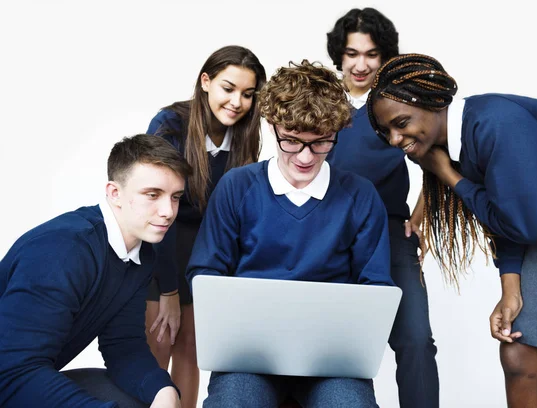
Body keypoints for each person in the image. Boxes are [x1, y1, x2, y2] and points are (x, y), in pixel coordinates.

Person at [367, 53, 537, 407]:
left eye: (401, 123)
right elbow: (508, 217)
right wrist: (510, 290)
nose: (395, 139)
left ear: (432, 102)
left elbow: (522, 224)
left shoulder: (495, 124)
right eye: (387, 132)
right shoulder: (456, 143)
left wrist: (449, 176)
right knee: (519, 358)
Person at [186, 60, 394, 408]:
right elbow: (205, 273)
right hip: (246, 359)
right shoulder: (237, 187)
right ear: (272, 126)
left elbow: (376, 288)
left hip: (333, 363)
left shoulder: (360, 196)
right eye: (293, 141)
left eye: (321, 143)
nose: (306, 156)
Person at [0, 134, 192, 407]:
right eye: (153, 195)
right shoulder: (64, 250)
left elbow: (124, 346)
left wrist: (165, 393)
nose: (168, 211)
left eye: (175, 197)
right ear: (115, 194)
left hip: (22, 375)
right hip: (11, 378)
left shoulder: (141, 253)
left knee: (141, 396)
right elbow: (13, 371)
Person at [325, 9, 439, 407]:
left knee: (416, 340)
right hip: (326, 234)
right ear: (338, 55)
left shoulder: (396, 102)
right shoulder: (323, 100)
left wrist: (421, 216)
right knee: (333, 345)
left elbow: (438, 162)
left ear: (385, 56)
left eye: (371, 54)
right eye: (352, 53)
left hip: (390, 230)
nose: (360, 64)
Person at [144, 45, 266, 408]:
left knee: (192, 348)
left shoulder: (246, 134)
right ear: (206, 81)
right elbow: (156, 210)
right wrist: (168, 291)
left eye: (247, 94)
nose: (236, 102)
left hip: (207, 252)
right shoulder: (170, 123)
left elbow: (235, 214)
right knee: (159, 342)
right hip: (161, 243)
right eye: (228, 88)